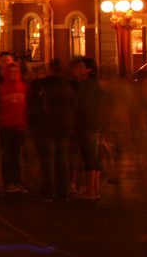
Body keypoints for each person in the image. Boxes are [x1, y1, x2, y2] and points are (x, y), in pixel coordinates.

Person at [33, 58, 76, 202]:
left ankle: (47, 192)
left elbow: (35, 102)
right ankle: (63, 192)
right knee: (62, 159)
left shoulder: (43, 85)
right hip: (64, 125)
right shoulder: (68, 86)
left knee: (48, 160)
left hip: (47, 125)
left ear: (50, 69)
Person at [72, 57, 103, 199]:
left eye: (80, 66)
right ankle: (95, 190)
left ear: (88, 70)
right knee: (94, 156)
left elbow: (82, 106)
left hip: (87, 124)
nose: (77, 69)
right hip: (94, 123)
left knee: (89, 156)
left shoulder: (87, 85)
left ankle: (91, 190)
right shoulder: (93, 84)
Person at [0, 62, 29, 192]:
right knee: (8, 155)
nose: (13, 74)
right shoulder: (2, 88)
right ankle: (9, 182)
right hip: (6, 126)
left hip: (20, 126)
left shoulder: (25, 87)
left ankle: (18, 181)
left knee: (17, 155)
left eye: (16, 72)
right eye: (11, 72)